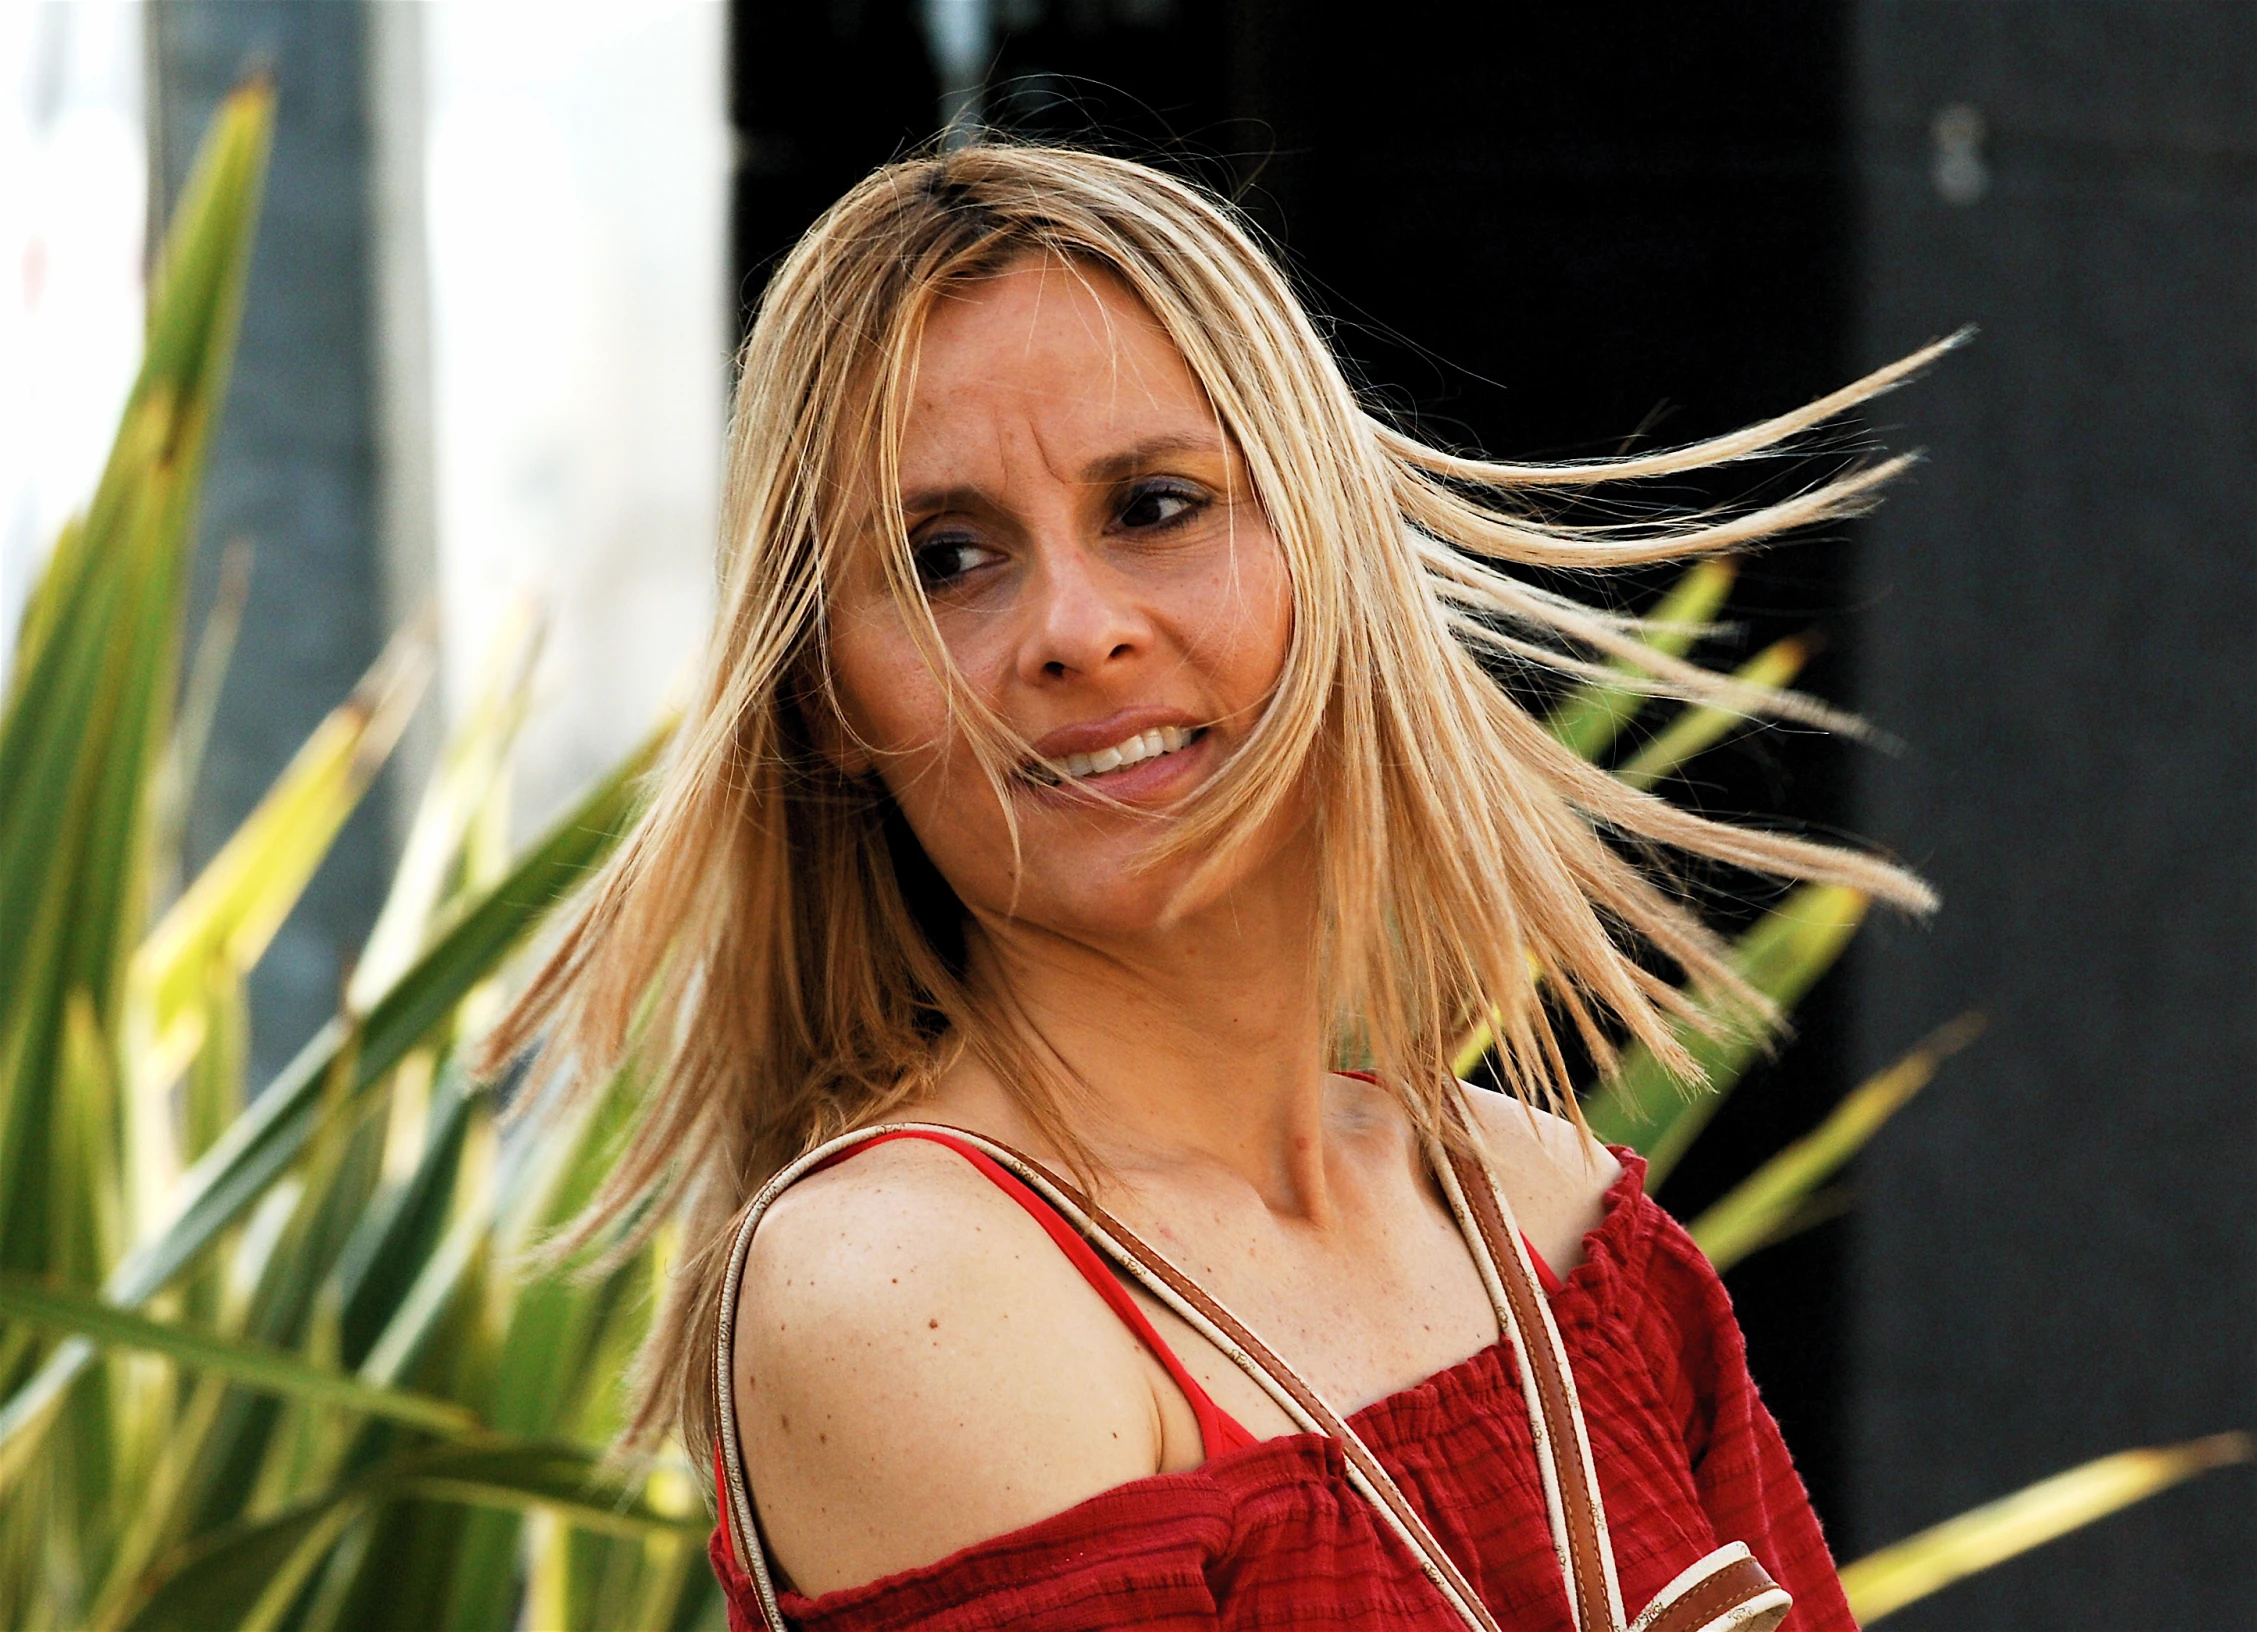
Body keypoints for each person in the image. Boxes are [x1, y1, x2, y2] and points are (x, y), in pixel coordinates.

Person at [488, 143, 1941, 1631]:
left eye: (1157, 506)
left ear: (1333, 557)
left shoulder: (1552, 1214)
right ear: (828, 707)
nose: (1074, 630)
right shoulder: (914, 1284)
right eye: (945, 559)